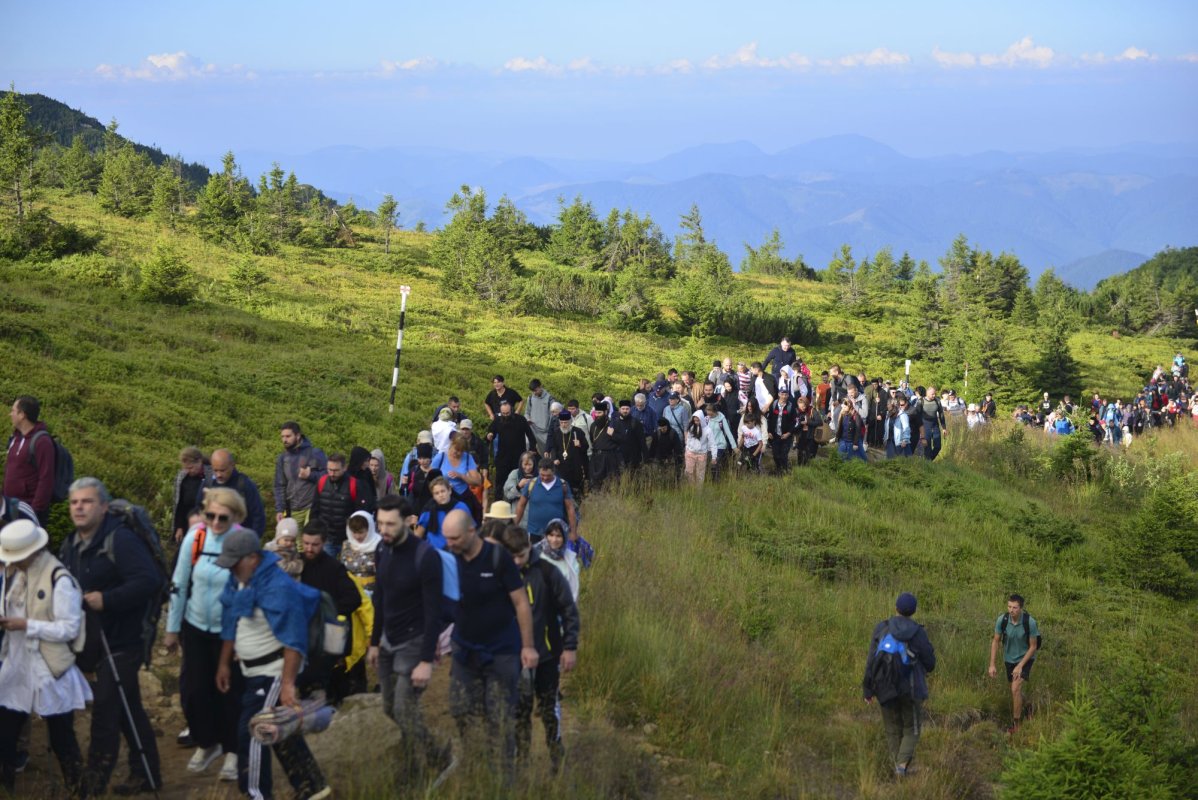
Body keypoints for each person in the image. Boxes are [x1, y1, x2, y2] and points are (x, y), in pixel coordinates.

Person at [58, 478, 163, 796]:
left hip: (125, 640)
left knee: (105, 710)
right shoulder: (70, 544)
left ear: (103, 506)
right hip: (94, 640)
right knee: (128, 706)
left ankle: (92, 786)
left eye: (87, 501)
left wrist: (108, 599)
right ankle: (147, 774)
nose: (79, 507)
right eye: (75, 502)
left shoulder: (121, 540)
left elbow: (150, 580)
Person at [214, 529, 330, 800]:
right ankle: (313, 787)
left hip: (275, 669)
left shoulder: (277, 586)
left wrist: (288, 684)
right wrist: (223, 664)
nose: (230, 567)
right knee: (281, 731)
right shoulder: (238, 580)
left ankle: (256, 794)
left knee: (254, 730)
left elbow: (294, 639)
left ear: (252, 558)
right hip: (251, 670)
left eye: (234, 561)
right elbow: (233, 618)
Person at [442, 510, 537, 781]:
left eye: (455, 538)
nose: (450, 543)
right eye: (447, 538)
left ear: (472, 531)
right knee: (461, 708)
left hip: (501, 652)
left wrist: (528, 647)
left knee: (500, 716)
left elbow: (520, 603)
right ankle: (474, 763)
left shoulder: (499, 559)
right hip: (464, 649)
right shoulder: (450, 560)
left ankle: (504, 779)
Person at [367, 496, 454, 786]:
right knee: (390, 708)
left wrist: (427, 660)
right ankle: (429, 754)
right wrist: (374, 642)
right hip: (388, 638)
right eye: (379, 523)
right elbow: (379, 597)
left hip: (415, 641)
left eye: (390, 524)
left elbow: (434, 611)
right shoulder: (382, 549)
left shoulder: (425, 556)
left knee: (404, 707)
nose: (383, 530)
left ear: (408, 521)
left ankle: (418, 765)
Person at [165, 488, 250, 782]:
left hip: (230, 632)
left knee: (229, 693)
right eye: (209, 515)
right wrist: (172, 629)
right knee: (193, 691)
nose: (214, 522)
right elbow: (180, 582)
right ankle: (207, 741)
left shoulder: (241, 543)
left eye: (222, 517)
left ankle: (233, 751)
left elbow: (248, 592)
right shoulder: (196, 537)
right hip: (196, 626)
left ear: (235, 516)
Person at [0, 519, 89, 795]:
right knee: (4, 737)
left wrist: (27, 625)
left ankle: (79, 790)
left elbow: (69, 628)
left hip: (49, 669)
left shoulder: (59, 579)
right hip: (17, 667)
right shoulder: (17, 575)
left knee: (62, 738)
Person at [496, 524, 579, 771]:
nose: (516, 561)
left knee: (548, 709)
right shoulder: (499, 574)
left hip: (546, 654)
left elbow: (568, 610)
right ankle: (521, 762)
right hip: (512, 656)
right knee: (518, 712)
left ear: (528, 548)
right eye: (511, 557)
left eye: (520, 556)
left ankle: (557, 758)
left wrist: (570, 647)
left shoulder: (547, 573)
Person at [863, 592, 936, 778]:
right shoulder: (918, 632)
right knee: (912, 728)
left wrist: (868, 689)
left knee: (892, 728)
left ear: (895, 607)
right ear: (913, 611)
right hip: (911, 689)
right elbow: (930, 663)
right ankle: (901, 767)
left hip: (884, 686)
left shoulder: (882, 628)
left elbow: (872, 660)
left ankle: (897, 767)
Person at [299, 522, 363, 704]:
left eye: (314, 544)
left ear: (324, 543)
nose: (309, 549)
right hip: (304, 631)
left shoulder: (334, 568)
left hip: (329, 632)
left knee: (329, 677)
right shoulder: (297, 564)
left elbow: (353, 598)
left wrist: (327, 611)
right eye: (306, 543)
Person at [988, 594, 1040, 733]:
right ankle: (1028, 706)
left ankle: (1016, 725)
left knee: (1015, 689)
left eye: (1015, 607)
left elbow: (1033, 646)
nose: (1011, 610)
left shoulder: (1030, 622)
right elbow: (996, 641)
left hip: (1026, 658)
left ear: (1021, 608)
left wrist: (1020, 665)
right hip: (1009, 659)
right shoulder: (1002, 620)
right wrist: (992, 664)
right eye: (1009, 606)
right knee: (1015, 690)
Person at [4, 396, 56, 525]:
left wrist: (34, 512)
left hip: (28, 511)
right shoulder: (15, 438)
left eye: (13, 411)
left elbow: (46, 479)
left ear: (22, 415)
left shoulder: (42, 442)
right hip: (10, 507)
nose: (10, 414)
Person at [309, 453, 368, 559]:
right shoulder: (322, 482)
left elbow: (360, 513)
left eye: (335, 470)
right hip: (326, 537)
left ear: (344, 468)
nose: (332, 473)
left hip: (347, 538)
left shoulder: (354, 485)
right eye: (329, 470)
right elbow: (315, 510)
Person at [273, 421, 328, 528]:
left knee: (310, 540)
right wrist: (280, 509)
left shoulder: (315, 453)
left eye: (288, 436)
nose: (284, 440)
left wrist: (310, 475)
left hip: (312, 506)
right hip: (294, 508)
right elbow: (279, 485)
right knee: (297, 544)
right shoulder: (283, 458)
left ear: (298, 436)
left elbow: (328, 476)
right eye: (282, 436)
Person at [205, 449, 267, 540]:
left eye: (222, 470)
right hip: (212, 539)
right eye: (215, 470)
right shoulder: (208, 483)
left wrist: (253, 541)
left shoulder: (245, 485)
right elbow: (198, 510)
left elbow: (258, 516)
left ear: (232, 465)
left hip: (240, 541)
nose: (218, 475)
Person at [514, 458, 579, 542]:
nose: (544, 478)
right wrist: (514, 526)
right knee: (535, 555)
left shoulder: (563, 485)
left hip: (556, 534)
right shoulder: (531, 484)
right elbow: (521, 505)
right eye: (542, 475)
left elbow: (570, 508)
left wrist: (573, 532)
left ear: (553, 471)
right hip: (535, 533)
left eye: (548, 476)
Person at [488, 399, 537, 502]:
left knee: (518, 482)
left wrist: (532, 450)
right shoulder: (498, 420)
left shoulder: (521, 420)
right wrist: (490, 435)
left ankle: (517, 505)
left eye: (507, 413)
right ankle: (498, 507)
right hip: (503, 458)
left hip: (518, 458)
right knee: (500, 484)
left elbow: (531, 437)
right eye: (503, 413)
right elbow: (491, 431)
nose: (505, 415)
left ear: (512, 410)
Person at [416, 478, 471, 550]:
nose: (441, 495)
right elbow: (419, 534)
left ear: (449, 491)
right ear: (433, 496)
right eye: (437, 493)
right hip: (433, 552)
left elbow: (470, 531)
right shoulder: (428, 510)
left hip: (457, 551)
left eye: (443, 491)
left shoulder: (461, 507)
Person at [544, 411, 589, 497]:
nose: (564, 425)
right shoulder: (556, 432)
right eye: (561, 422)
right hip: (561, 466)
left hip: (575, 466)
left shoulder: (578, 432)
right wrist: (554, 458)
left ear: (570, 421)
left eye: (566, 422)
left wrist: (580, 445)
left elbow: (586, 447)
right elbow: (553, 447)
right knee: (562, 490)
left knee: (577, 492)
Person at [534, 519, 580, 603]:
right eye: (551, 535)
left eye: (558, 536)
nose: (554, 540)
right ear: (546, 535)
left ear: (564, 537)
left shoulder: (571, 560)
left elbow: (573, 590)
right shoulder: (536, 555)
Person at [172, 446, 209, 545]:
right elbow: (179, 504)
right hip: (186, 521)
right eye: (185, 468)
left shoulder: (210, 477)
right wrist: (179, 527)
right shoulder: (182, 477)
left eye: (191, 468)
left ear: (199, 462)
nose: (188, 471)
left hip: (204, 522)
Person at [588, 401, 625, 491]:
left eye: (600, 413)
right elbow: (592, 440)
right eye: (596, 413)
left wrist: (613, 435)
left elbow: (622, 440)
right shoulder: (593, 425)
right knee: (596, 483)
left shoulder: (614, 424)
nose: (597, 415)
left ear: (605, 412)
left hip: (610, 457)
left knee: (610, 483)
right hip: (596, 457)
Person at [766, 387, 797, 473]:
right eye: (782, 394)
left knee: (784, 455)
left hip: (786, 436)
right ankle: (779, 469)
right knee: (776, 455)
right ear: (779, 394)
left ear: (788, 395)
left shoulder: (791, 406)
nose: (784, 396)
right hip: (775, 435)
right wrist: (769, 432)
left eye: (786, 394)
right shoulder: (774, 404)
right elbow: (769, 419)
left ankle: (785, 470)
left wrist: (789, 433)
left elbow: (794, 422)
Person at [682, 411, 716, 486]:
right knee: (689, 473)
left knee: (700, 475)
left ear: (702, 419)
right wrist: (687, 449)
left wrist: (714, 457)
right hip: (690, 453)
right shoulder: (691, 427)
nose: (696, 422)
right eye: (695, 420)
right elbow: (688, 440)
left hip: (701, 455)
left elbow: (713, 444)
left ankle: (698, 492)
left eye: (698, 420)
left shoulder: (708, 430)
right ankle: (691, 490)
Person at [524, 379, 556, 452]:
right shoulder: (530, 398)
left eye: (536, 390)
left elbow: (553, 416)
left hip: (545, 432)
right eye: (533, 391)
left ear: (540, 387)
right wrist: (528, 419)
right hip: (532, 428)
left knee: (547, 452)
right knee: (526, 445)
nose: (534, 393)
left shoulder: (550, 399)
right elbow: (527, 412)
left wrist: (549, 429)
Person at [917, 387, 947, 461]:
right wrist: (919, 429)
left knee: (938, 446)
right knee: (927, 447)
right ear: (927, 394)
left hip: (935, 425)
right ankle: (928, 463)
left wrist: (944, 428)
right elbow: (917, 415)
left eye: (935, 394)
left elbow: (941, 414)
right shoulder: (921, 401)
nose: (934, 395)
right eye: (932, 394)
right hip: (925, 425)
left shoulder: (937, 401)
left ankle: (928, 460)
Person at [792, 395, 822, 467]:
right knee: (800, 452)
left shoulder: (812, 410)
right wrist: (799, 423)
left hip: (811, 436)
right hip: (800, 435)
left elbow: (820, 422)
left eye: (804, 406)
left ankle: (807, 468)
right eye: (801, 407)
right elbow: (793, 424)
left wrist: (808, 422)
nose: (803, 408)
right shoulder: (796, 411)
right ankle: (799, 467)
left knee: (809, 454)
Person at [738, 403, 766, 472]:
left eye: (748, 423)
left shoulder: (757, 432)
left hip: (754, 449)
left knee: (753, 466)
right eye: (746, 423)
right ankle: (738, 475)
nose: (747, 425)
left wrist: (754, 455)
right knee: (739, 462)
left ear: (753, 422)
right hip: (746, 448)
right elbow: (743, 436)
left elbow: (760, 444)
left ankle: (756, 474)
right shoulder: (744, 428)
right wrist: (739, 446)